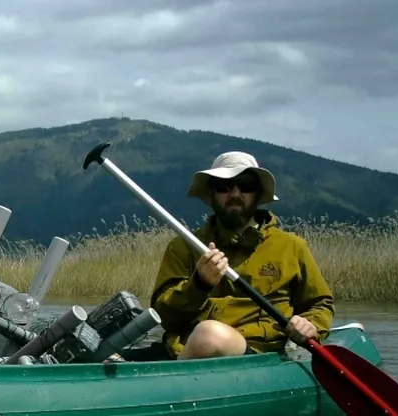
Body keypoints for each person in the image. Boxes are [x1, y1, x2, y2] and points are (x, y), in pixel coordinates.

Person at [141, 150, 334, 360]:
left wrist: (310, 324)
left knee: (210, 336)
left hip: (256, 352)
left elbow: (320, 304)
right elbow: (164, 317)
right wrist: (199, 284)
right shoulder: (183, 247)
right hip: (187, 349)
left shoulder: (292, 247)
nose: (235, 194)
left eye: (246, 185)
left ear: (258, 194)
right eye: (224, 186)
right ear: (212, 193)